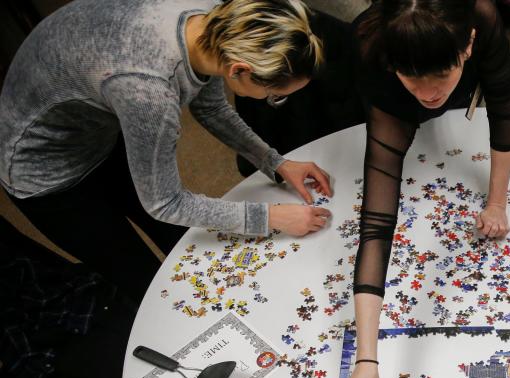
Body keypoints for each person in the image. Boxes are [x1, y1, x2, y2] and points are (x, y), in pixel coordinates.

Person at [0, 0, 334, 304]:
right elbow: (164, 203)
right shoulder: (148, 92)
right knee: (148, 284)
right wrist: (270, 216)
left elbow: (212, 109)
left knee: (190, 246)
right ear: (239, 70)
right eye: (275, 94)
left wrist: (275, 162)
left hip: (95, 128)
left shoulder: (214, 21)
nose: (274, 100)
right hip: (42, 174)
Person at [336, 0, 510, 378]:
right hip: (385, 86)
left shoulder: (481, 19)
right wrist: (366, 358)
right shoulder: (371, 49)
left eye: (440, 75)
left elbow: (503, 110)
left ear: (468, 44)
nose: (430, 92)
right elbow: (376, 224)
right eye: (414, 79)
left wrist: (496, 202)